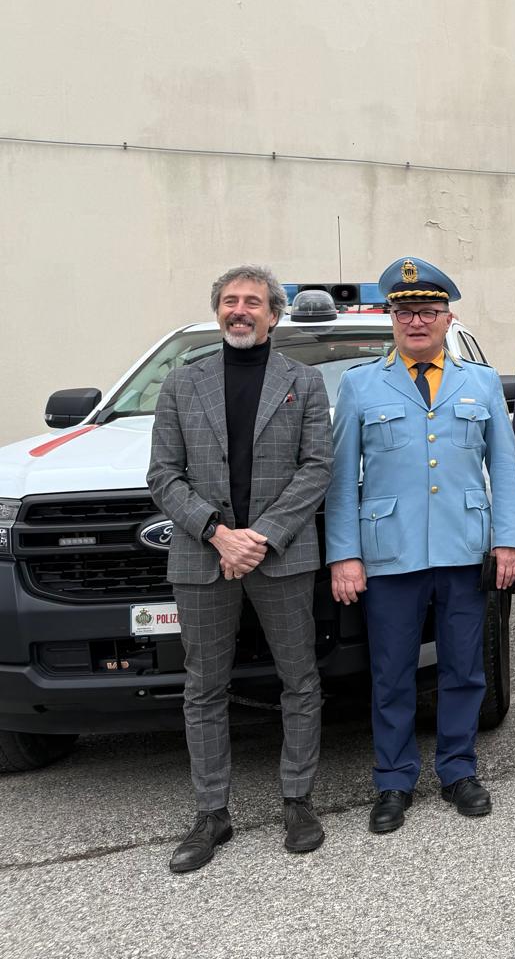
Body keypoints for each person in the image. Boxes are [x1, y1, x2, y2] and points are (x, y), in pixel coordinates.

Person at [326, 257, 515, 834]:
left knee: (465, 668)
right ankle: (393, 780)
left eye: (429, 311)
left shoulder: (480, 382)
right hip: (391, 555)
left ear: (447, 317)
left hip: (464, 551)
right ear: (391, 318)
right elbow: (341, 479)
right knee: (391, 672)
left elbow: (504, 471)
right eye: (406, 311)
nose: (417, 321)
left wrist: (508, 542)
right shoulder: (361, 384)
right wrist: (345, 553)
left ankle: (459, 770)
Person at [148, 264, 332, 872]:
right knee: (204, 688)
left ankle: (298, 799)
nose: (240, 310)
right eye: (230, 301)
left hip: (280, 558)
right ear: (218, 311)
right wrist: (219, 533)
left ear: (274, 315)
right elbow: (163, 476)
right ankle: (211, 813)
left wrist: (263, 537)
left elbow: (316, 470)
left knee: (299, 679)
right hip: (203, 558)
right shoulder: (181, 384)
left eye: (253, 301)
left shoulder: (303, 383)